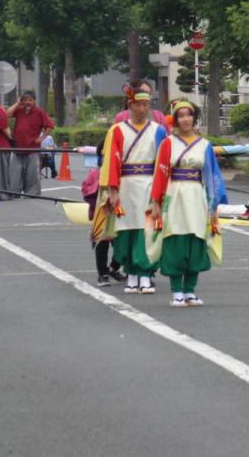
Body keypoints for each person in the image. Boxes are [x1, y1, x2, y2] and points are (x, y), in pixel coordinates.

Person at [148, 100, 227, 307]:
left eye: (189, 115)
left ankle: (190, 290)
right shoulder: (168, 143)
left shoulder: (205, 145)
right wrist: (156, 201)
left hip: (197, 195)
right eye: (181, 115)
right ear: (175, 119)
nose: (185, 119)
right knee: (175, 239)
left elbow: (211, 176)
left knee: (196, 239)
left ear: (194, 117)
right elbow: (160, 173)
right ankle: (176, 291)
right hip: (175, 194)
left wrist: (214, 206)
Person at [94, 88, 168, 293]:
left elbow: (163, 162)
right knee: (125, 231)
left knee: (147, 229)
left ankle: (145, 273)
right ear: (130, 106)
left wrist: (161, 190)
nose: (142, 108)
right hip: (125, 184)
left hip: (149, 184)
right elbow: (110, 160)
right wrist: (113, 190)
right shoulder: (117, 130)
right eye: (138, 104)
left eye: (145, 105)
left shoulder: (158, 130)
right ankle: (131, 273)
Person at [81, 136, 125, 287]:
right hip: (103, 214)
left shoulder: (123, 173)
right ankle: (103, 273)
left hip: (120, 212)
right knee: (102, 243)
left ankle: (113, 268)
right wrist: (100, 189)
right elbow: (86, 190)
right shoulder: (95, 173)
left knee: (122, 243)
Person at [8, 90, 55, 197]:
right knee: (14, 174)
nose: (27, 102)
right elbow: (7, 114)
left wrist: (42, 138)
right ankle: (13, 193)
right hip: (17, 148)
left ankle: (32, 194)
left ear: (34, 101)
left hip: (32, 149)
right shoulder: (19, 110)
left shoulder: (39, 112)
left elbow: (49, 125)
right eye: (25, 100)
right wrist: (17, 103)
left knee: (32, 174)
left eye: (30, 100)